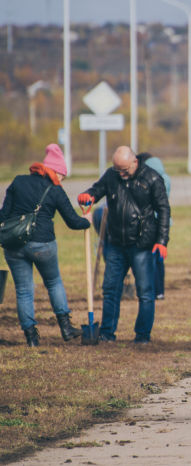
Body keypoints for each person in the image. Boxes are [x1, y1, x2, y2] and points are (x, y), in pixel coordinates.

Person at [1, 144, 91, 347]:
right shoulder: (55, 190)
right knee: (53, 283)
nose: (62, 180)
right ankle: (66, 328)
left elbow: (3, 215)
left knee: (23, 290)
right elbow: (73, 222)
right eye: (63, 176)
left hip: (13, 245)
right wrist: (88, 220)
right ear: (57, 171)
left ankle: (31, 338)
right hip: (42, 245)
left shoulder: (18, 181)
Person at [78, 146, 170, 344]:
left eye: (125, 170)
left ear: (135, 162)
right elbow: (98, 188)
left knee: (145, 293)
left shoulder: (153, 178)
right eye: (118, 169)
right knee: (110, 290)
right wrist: (89, 195)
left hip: (142, 245)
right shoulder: (112, 175)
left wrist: (162, 241)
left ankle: (142, 335)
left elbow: (163, 210)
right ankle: (107, 333)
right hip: (116, 244)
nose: (121, 174)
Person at [141, 153, 171, 300]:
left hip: (152, 224)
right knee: (160, 260)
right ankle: (160, 291)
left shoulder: (150, 180)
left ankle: (152, 289)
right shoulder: (167, 178)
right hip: (164, 224)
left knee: (151, 259)